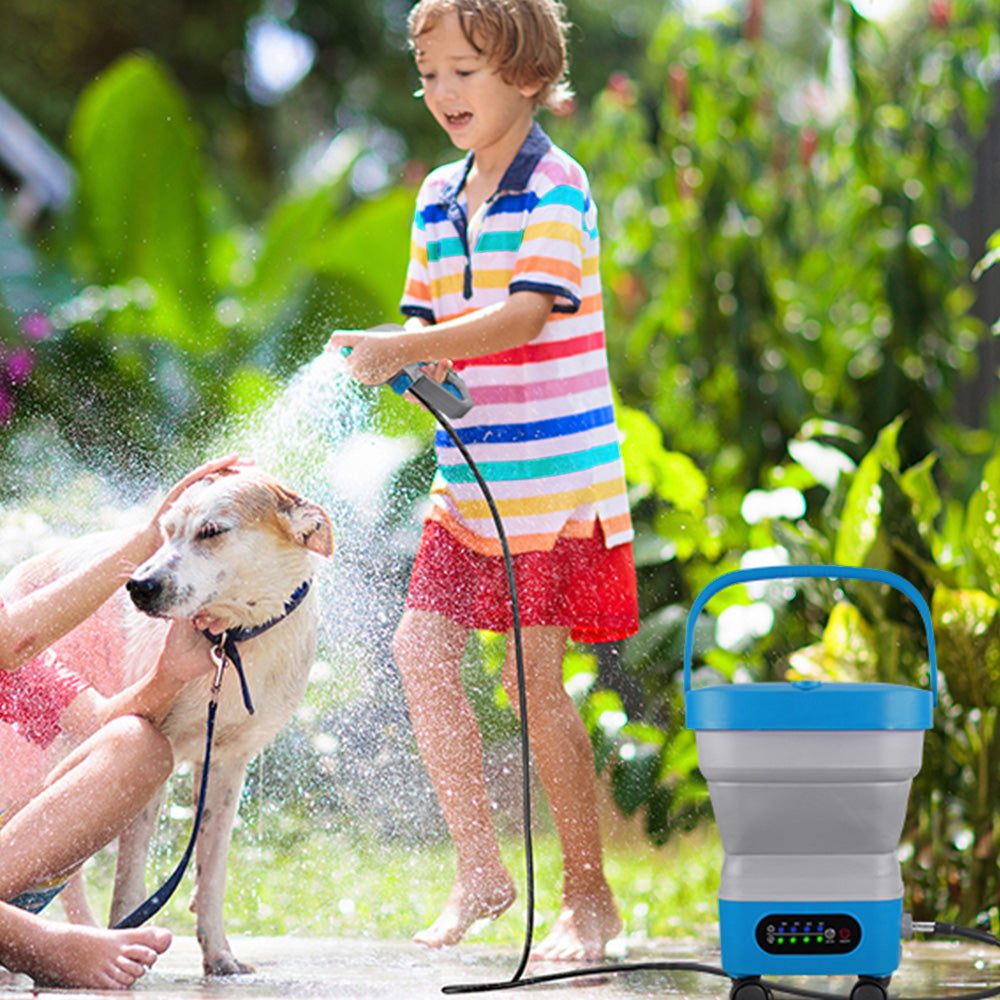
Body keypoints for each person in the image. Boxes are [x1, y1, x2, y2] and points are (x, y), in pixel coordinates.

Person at [328, 0, 638, 962]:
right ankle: (481, 871)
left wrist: (410, 345)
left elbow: (524, 316)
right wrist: (403, 361)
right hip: (470, 483)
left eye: (465, 71)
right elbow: (430, 326)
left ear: (530, 74)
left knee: (533, 683)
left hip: (551, 488)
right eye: (430, 76)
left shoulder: (559, 186)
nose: (443, 93)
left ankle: (590, 899)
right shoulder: (434, 195)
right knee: (421, 653)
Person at [0, 455, 243, 989]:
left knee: (138, 746)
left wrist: (170, 674)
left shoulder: (16, 659)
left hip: (6, 872)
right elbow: (13, 634)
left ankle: (10, 927)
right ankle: (38, 944)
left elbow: (100, 721)